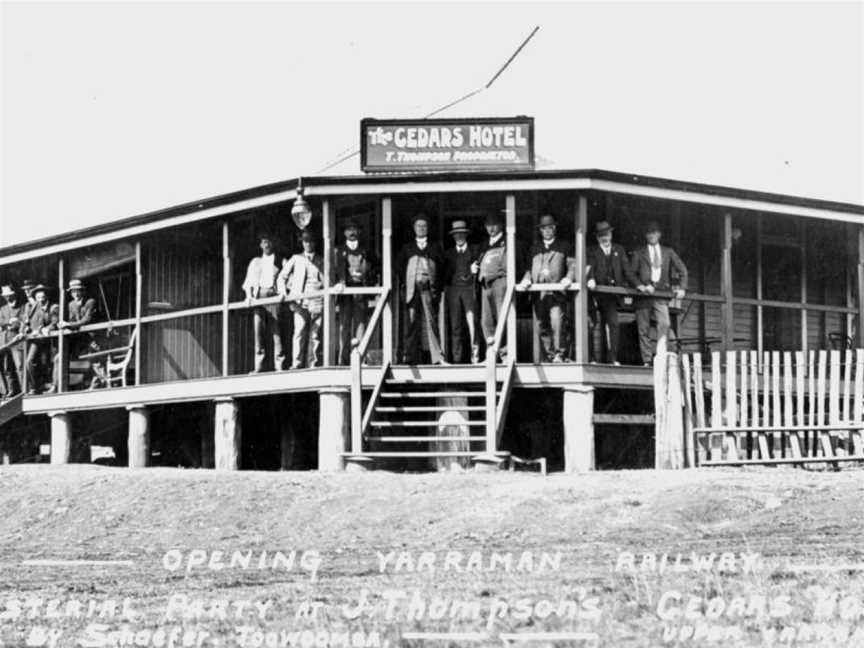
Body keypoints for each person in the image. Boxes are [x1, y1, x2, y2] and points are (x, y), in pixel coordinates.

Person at [629, 221, 688, 365]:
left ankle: (661, 354)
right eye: (649, 233)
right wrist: (641, 286)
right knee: (643, 328)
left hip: (661, 294)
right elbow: (631, 273)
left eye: (654, 233)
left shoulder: (668, 252)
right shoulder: (639, 252)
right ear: (646, 235)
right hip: (643, 296)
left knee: (665, 323)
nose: (652, 236)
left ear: (659, 235)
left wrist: (682, 288)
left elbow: (683, 271)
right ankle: (647, 360)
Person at [519, 214, 575, 362]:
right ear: (541, 231)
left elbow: (572, 265)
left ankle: (559, 354)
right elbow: (528, 270)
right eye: (544, 228)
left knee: (557, 323)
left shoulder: (564, 246)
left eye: (550, 228)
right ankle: (550, 355)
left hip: (556, 293)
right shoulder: (535, 248)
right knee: (541, 325)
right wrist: (526, 279)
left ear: (554, 228)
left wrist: (568, 278)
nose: (547, 231)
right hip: (540, 294)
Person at [396, 213, 445, 365]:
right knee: (411, 322)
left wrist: (436, 285)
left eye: (424, 226)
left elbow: (443, 266)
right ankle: (409, 357)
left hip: (428, 289)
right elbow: (398, 267)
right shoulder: (407, 248)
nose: (421, 229)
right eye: (419, 226)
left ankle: (437, 357)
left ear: (428, 229)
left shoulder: (435, 247)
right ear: (414, 228)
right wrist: (406, 283)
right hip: (412, 290)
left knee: (431, 321)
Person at [585, 221, 636, 365]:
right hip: (595, 294)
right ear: (597, 238)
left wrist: (639, 285)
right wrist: (590, 279)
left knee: (613, 324)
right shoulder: (592, 251)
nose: (604, 238)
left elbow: (627, 271)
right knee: (591, 324)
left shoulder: (619, 250)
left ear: (611, 234)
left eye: (606, 234)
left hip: (611, 297)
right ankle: (591, 359)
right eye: (601, 235)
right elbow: (588, 268)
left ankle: (612, 358)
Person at [242, 232, 288, 372]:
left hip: (273, 295)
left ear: (273, 244)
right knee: (259, 331)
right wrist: (249, 296)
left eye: (269, 242)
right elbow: (249, 282)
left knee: (276, 331)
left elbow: (287, 278)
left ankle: (279, 365)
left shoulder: (281, 260)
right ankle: (259, 366)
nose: (266, 245)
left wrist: (283, 292)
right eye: (264, 242)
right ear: (260, 245)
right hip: (259, 297)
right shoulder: (256, 262)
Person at [333, 219, 378, 365]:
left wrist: (370, 282)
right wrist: (338, 283)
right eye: (348, 229)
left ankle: (361, 357)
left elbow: (376, 267)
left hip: (361, 291)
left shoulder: (366, 251)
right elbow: (332, 271)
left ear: (359, 232)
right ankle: (343, 360)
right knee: (344, 325)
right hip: (345, 292)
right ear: (345, 233)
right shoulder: (338, 251)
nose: (352, 232)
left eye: (354, 229)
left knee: (360, 324)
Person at [280, 230, 325, 369]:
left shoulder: (321, 260)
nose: (308, 244)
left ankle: (313, 364)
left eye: (311, 241)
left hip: (317, 301)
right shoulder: (296, 258)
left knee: (315, 335)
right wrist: (285, 295)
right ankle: (297, 364)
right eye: (305, 241)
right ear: (302, 243)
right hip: (299, 302)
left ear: (315, 243)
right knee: (299, 332)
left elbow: (327, 280)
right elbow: (281, 277)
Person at [443, 219, 479, 364]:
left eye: (461, 234)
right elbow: (444, 274)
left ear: (466, 235)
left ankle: (475, 357)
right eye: (456, 234)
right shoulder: (448, 254)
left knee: (472, 324)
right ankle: (457, 359)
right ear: (453, 236)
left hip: (469, 290)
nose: (459, 237)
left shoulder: (474, 251)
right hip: (453, 291)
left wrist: (474, 271)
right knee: (455, 325)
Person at [473, 211, 509, 360]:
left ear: (500, 225)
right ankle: (492, 355)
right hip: (485, 285)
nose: (491, 228)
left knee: (502, 318)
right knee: (486, 321)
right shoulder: (483, 245)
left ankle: (505, 354)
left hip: (500, 283)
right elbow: (478, 262)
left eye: (494, 224)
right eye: (488, 225)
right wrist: (474, 268)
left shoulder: (506, 242)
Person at [56, 278, 100, 389]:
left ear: (83, 291)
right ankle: (67, 385)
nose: (76, 293)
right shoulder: (71, 304)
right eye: (73, 291)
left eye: (78, 291)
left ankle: (98, 381)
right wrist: (63, 324)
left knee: (94, 358)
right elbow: (71, 320)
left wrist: (69, 325)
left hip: (92, 337)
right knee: (62, 357)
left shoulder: (90, 302)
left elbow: (86, 320)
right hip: (79, 337)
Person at [24, 284, 59, 394]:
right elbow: (31, 323)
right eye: (38, 298)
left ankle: (54, 386)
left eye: (42, 297)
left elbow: (55, 321)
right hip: (39, 340)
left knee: (53, 362)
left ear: (47, 297)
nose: (40, 300)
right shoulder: (35, 308)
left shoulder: (54, 307)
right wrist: (29, 329)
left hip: (52, 340)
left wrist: (47, 328)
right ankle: (34, 386)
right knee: (29, 360)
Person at [0, 285, 25, 399]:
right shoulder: (3, 309)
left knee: (19, 365)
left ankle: (23, 388)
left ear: (13, 295)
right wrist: (8, 322)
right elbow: (1, 322)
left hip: (17, 340)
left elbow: (23, 321)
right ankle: (12, 390)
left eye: (9, 296)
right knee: (7, 367)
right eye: (5, 296)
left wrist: (15, 323)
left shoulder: (21, 307)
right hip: (6, 340)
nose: (7, 298)